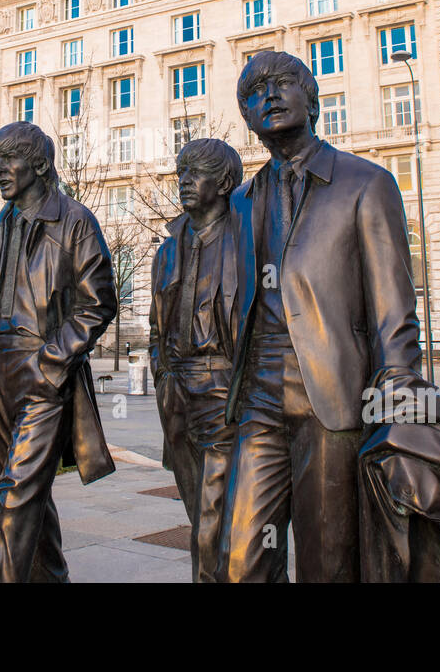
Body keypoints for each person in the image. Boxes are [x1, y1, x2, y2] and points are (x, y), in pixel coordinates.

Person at [220, 51, 422, 582]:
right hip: (259, 396)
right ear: (247, 117)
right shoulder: (241, 200)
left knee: (327, 559)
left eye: (283, 83)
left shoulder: (366, 183)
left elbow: (393, 308)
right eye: (254, 90)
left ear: (312, 99)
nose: (269, 94)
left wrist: (398, 394)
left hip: (332, 395)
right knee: (239, 559)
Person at [0, 122, 116, 582]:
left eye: (9, 160)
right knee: (26, 493)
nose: (0, 170)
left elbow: (98, 303)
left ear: (39, 165)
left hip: (43, 370)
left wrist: (52, 361)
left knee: (16, 493)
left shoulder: (74, 220)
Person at [149, 138, 243, 582]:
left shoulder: (246, 241)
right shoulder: (168, 248)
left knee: (212, 521)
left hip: (223, 388)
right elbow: (156, 326)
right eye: (181, 172)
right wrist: (159, 371)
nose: (184, 181)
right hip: (176, 392)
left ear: (223, 182)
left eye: (195, 173)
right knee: (200, 517)